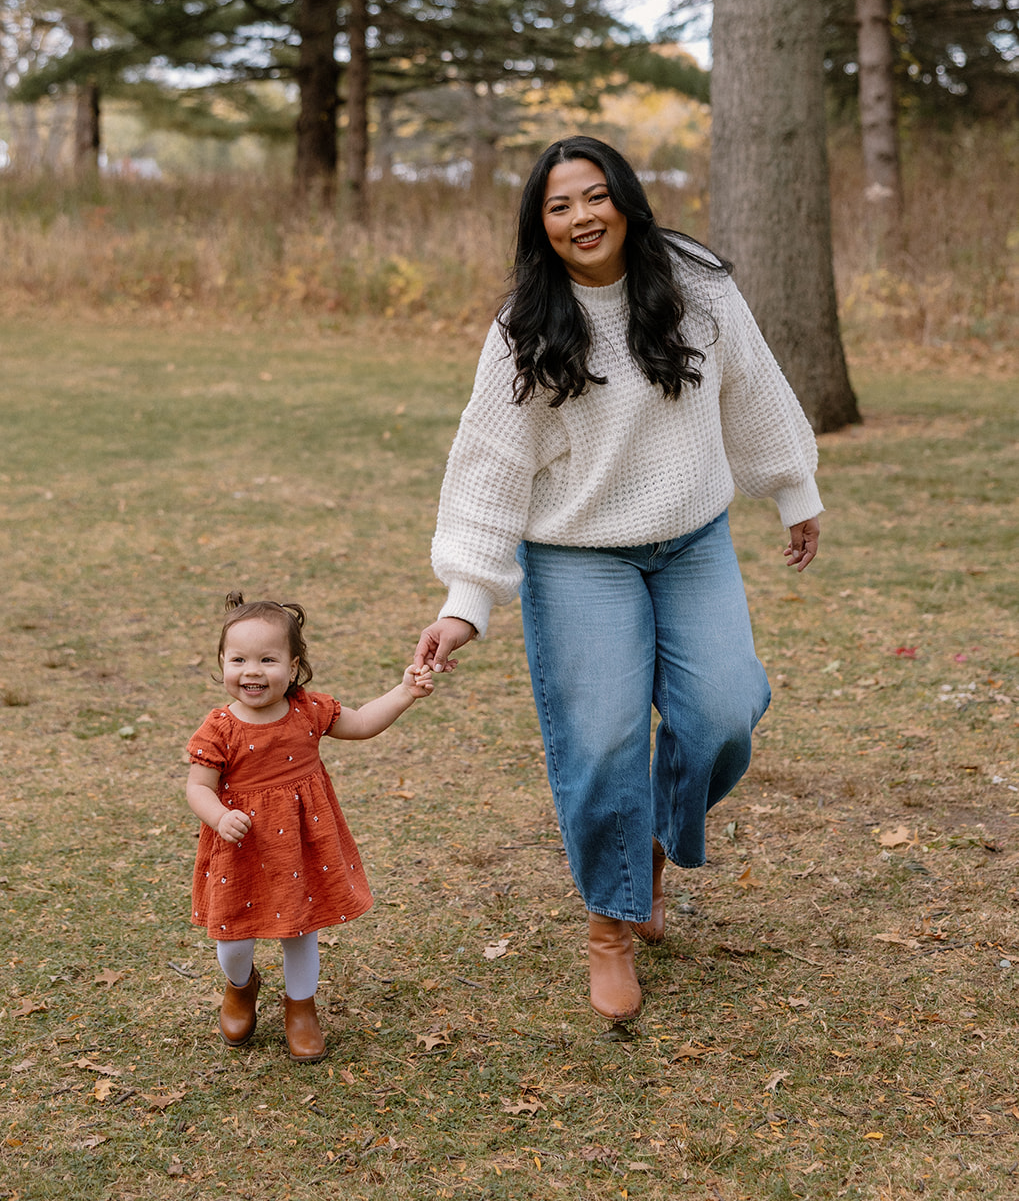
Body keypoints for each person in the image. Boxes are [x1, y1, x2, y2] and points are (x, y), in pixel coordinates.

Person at [413, 136, 822, 1024]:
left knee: (722, 714)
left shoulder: (695, 285)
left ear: (625, 200)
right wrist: (466, 599)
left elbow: (751, 386)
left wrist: (792, 488)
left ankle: (650, 853)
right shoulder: (525, 325)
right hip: (576, 556)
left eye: (594, 196)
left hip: (691, 541)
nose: (581, 217)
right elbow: (489, 465)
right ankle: (611, 922)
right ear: (541, 226)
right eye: (558, 206)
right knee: (600, 742)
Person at [186, 591, 433, 1060]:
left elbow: (362, 723)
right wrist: (220, 816)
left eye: (267, 659)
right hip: (242, 846)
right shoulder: (219, 728)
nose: (252, 671)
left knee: (300, 929)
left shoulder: (308, 710)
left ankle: (301, 1006)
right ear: (222, 662)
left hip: (300, 845)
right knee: (233, 936)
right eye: (238, 660)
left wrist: (405, 692)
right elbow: (198, 787)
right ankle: (240, 985)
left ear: (293, 665)